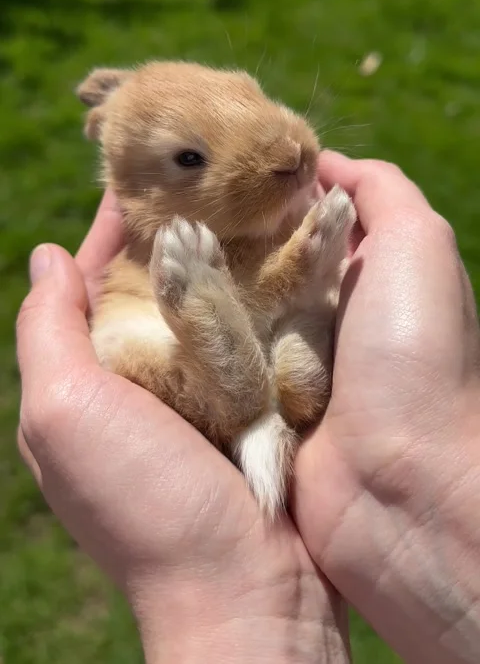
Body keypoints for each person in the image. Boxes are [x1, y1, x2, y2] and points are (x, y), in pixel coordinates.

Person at [16, 152, 480, 663]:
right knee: (138, 344)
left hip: (277, 410)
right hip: (202, 386)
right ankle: (234, 373)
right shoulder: (162, 236)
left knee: (303, 330)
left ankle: (254, 373)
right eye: (194, 158)